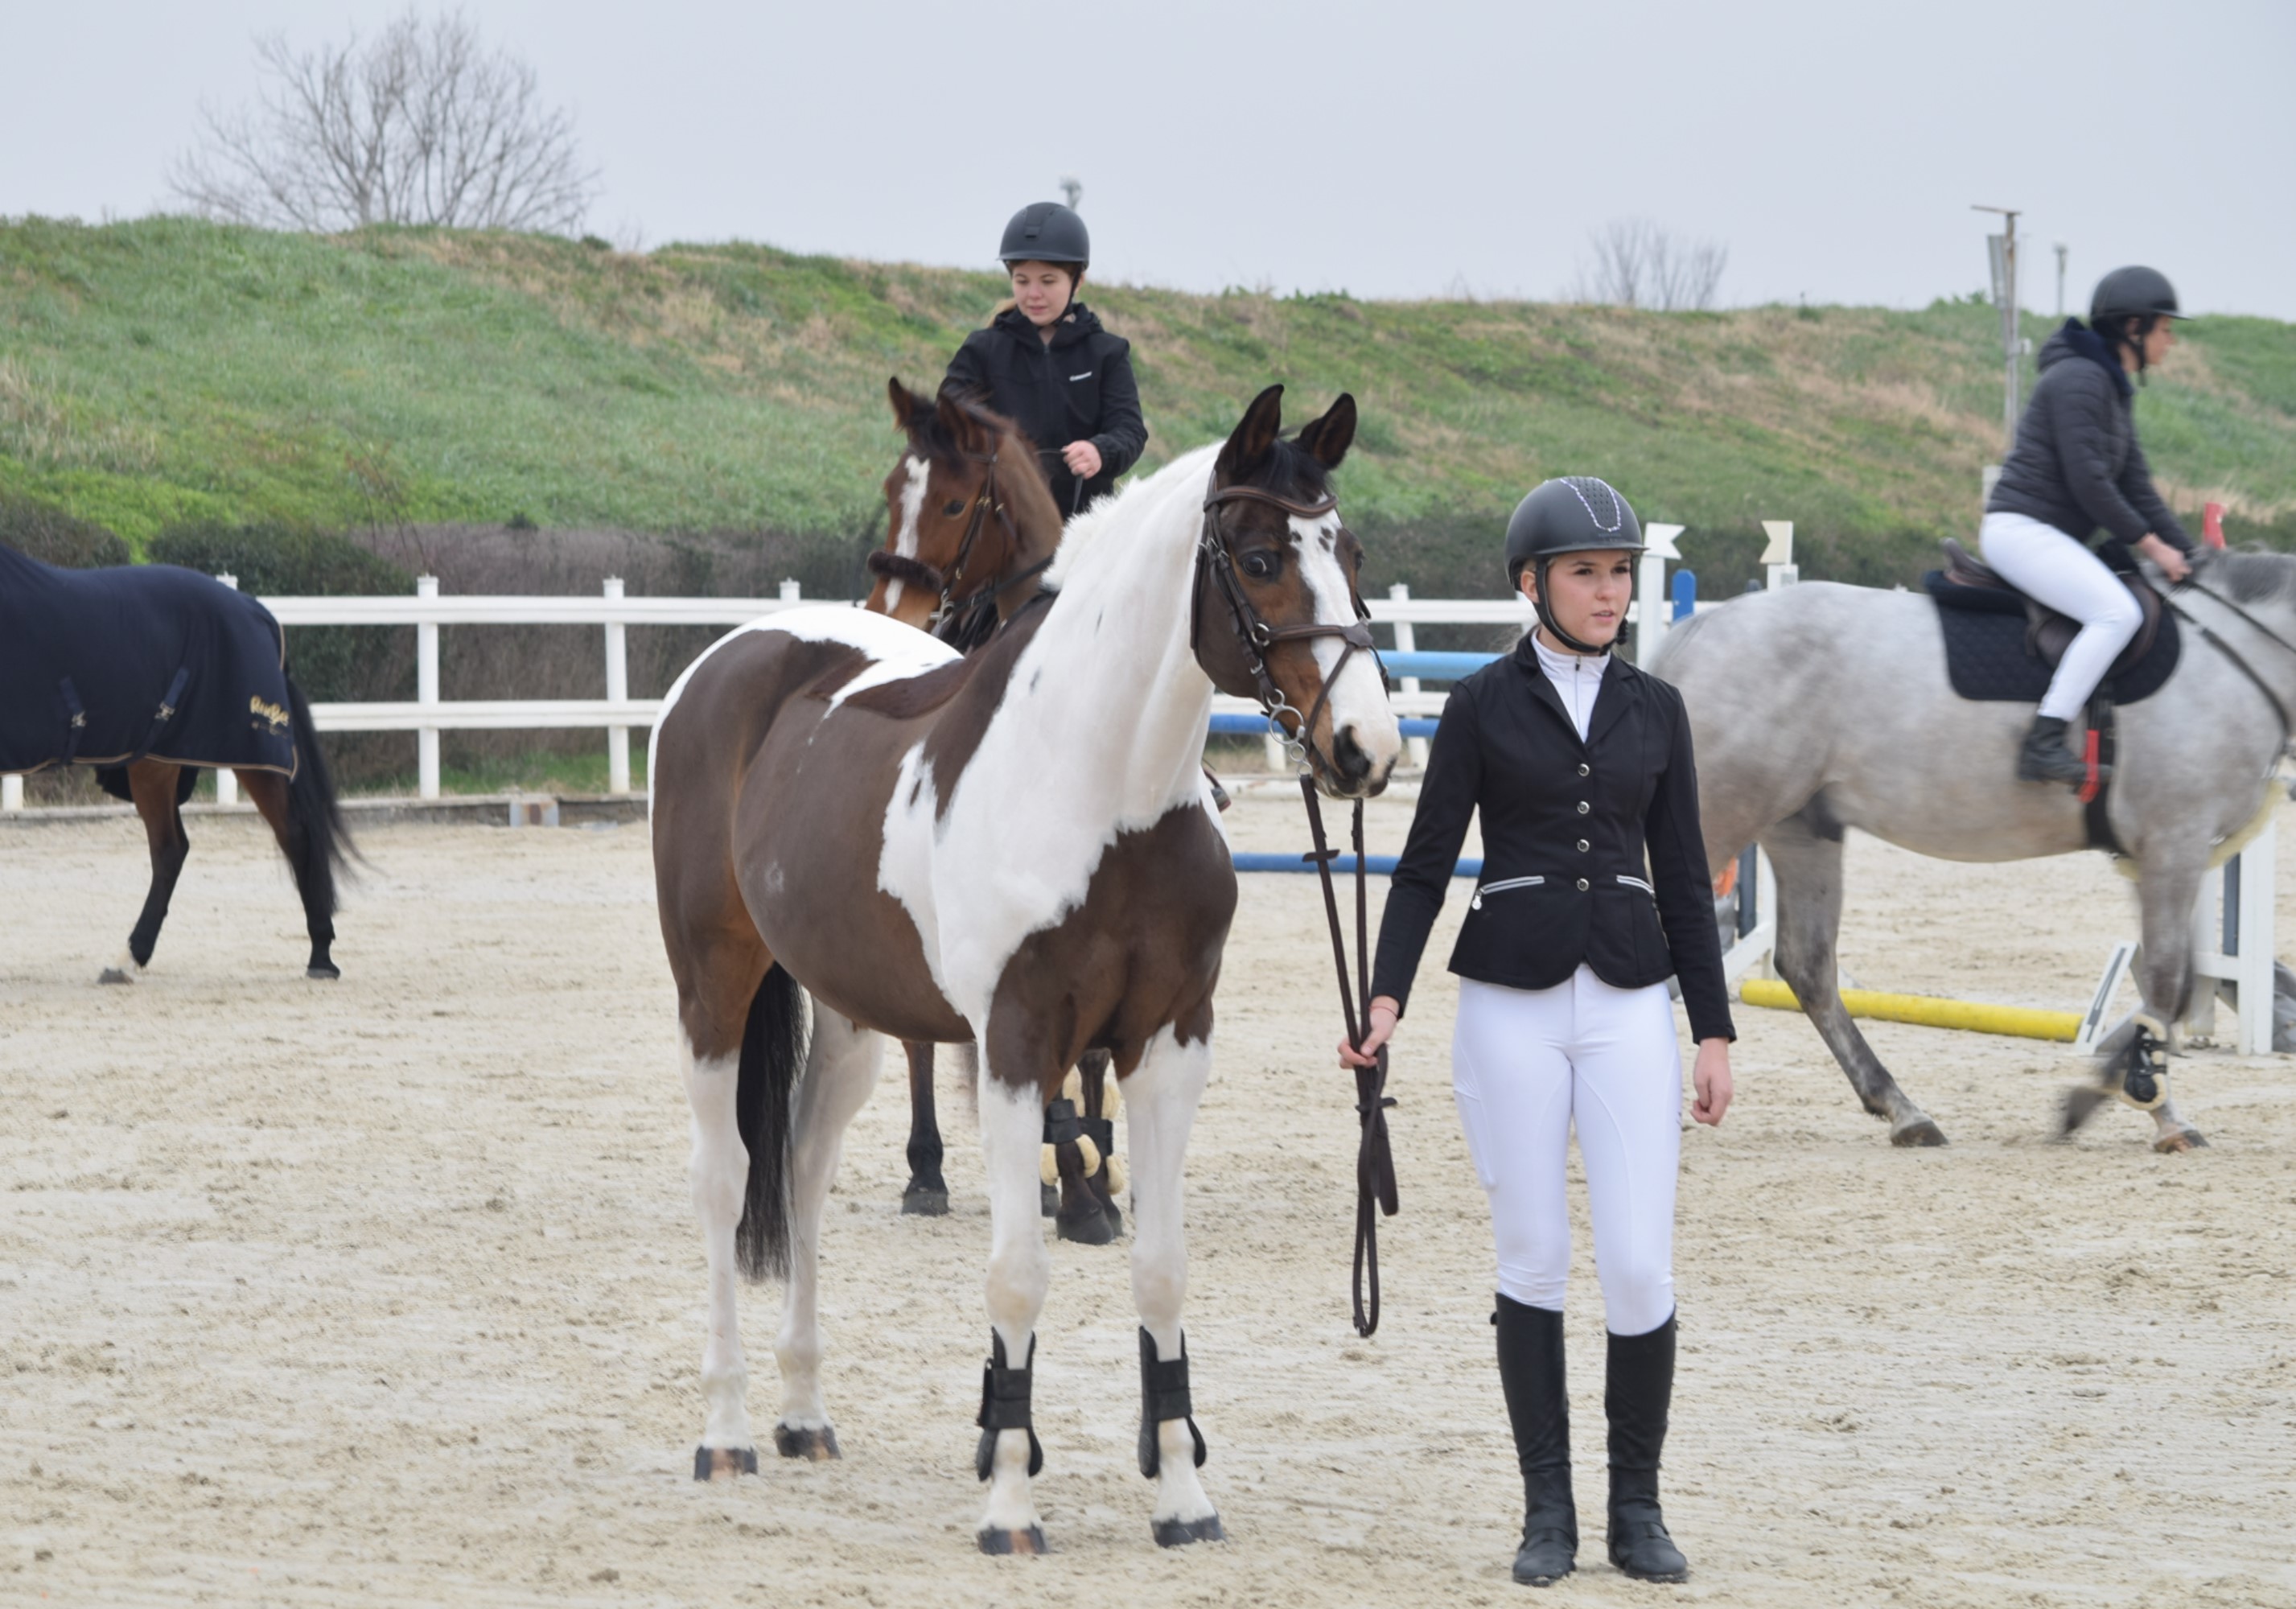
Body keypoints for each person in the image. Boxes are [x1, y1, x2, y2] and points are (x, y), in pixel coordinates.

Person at [1341, 476, 1734, 1588]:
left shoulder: (1655, 709)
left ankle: (1637, 1510)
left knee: (1639, 1265)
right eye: (1584, 573)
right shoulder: (1476, 708)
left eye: (1619, 574)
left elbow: (1684, 880)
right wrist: (1385, 999)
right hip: (1505, 1005)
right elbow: (1422, 870)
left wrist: (1712, 1032)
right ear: (1532, 583)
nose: (1608, 592)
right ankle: (1547, 1514)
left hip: (1624, 1002)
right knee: (1534, 1260)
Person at [1982, 265, 2196, 788]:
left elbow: (2139, 488)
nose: (2171, 341)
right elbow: (2092, 485)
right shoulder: (2079, 379)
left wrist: (2196, 558)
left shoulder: (2111, 388)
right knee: (2115, 613)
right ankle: (2045, 738)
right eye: (2165, 328)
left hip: (2045, 534)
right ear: (2133, 327)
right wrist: (2151, 546)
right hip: (2020, 531)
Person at [943, 201, 1148, 519]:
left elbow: (1129, 429)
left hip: (1087, 523)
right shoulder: (981, 349)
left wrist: (1099, 451)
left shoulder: (1108, 352)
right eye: (1022, 281)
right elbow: (949, 417)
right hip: (1000, 522)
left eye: (1048, 281)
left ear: (1077, 281)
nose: (1033, 294)